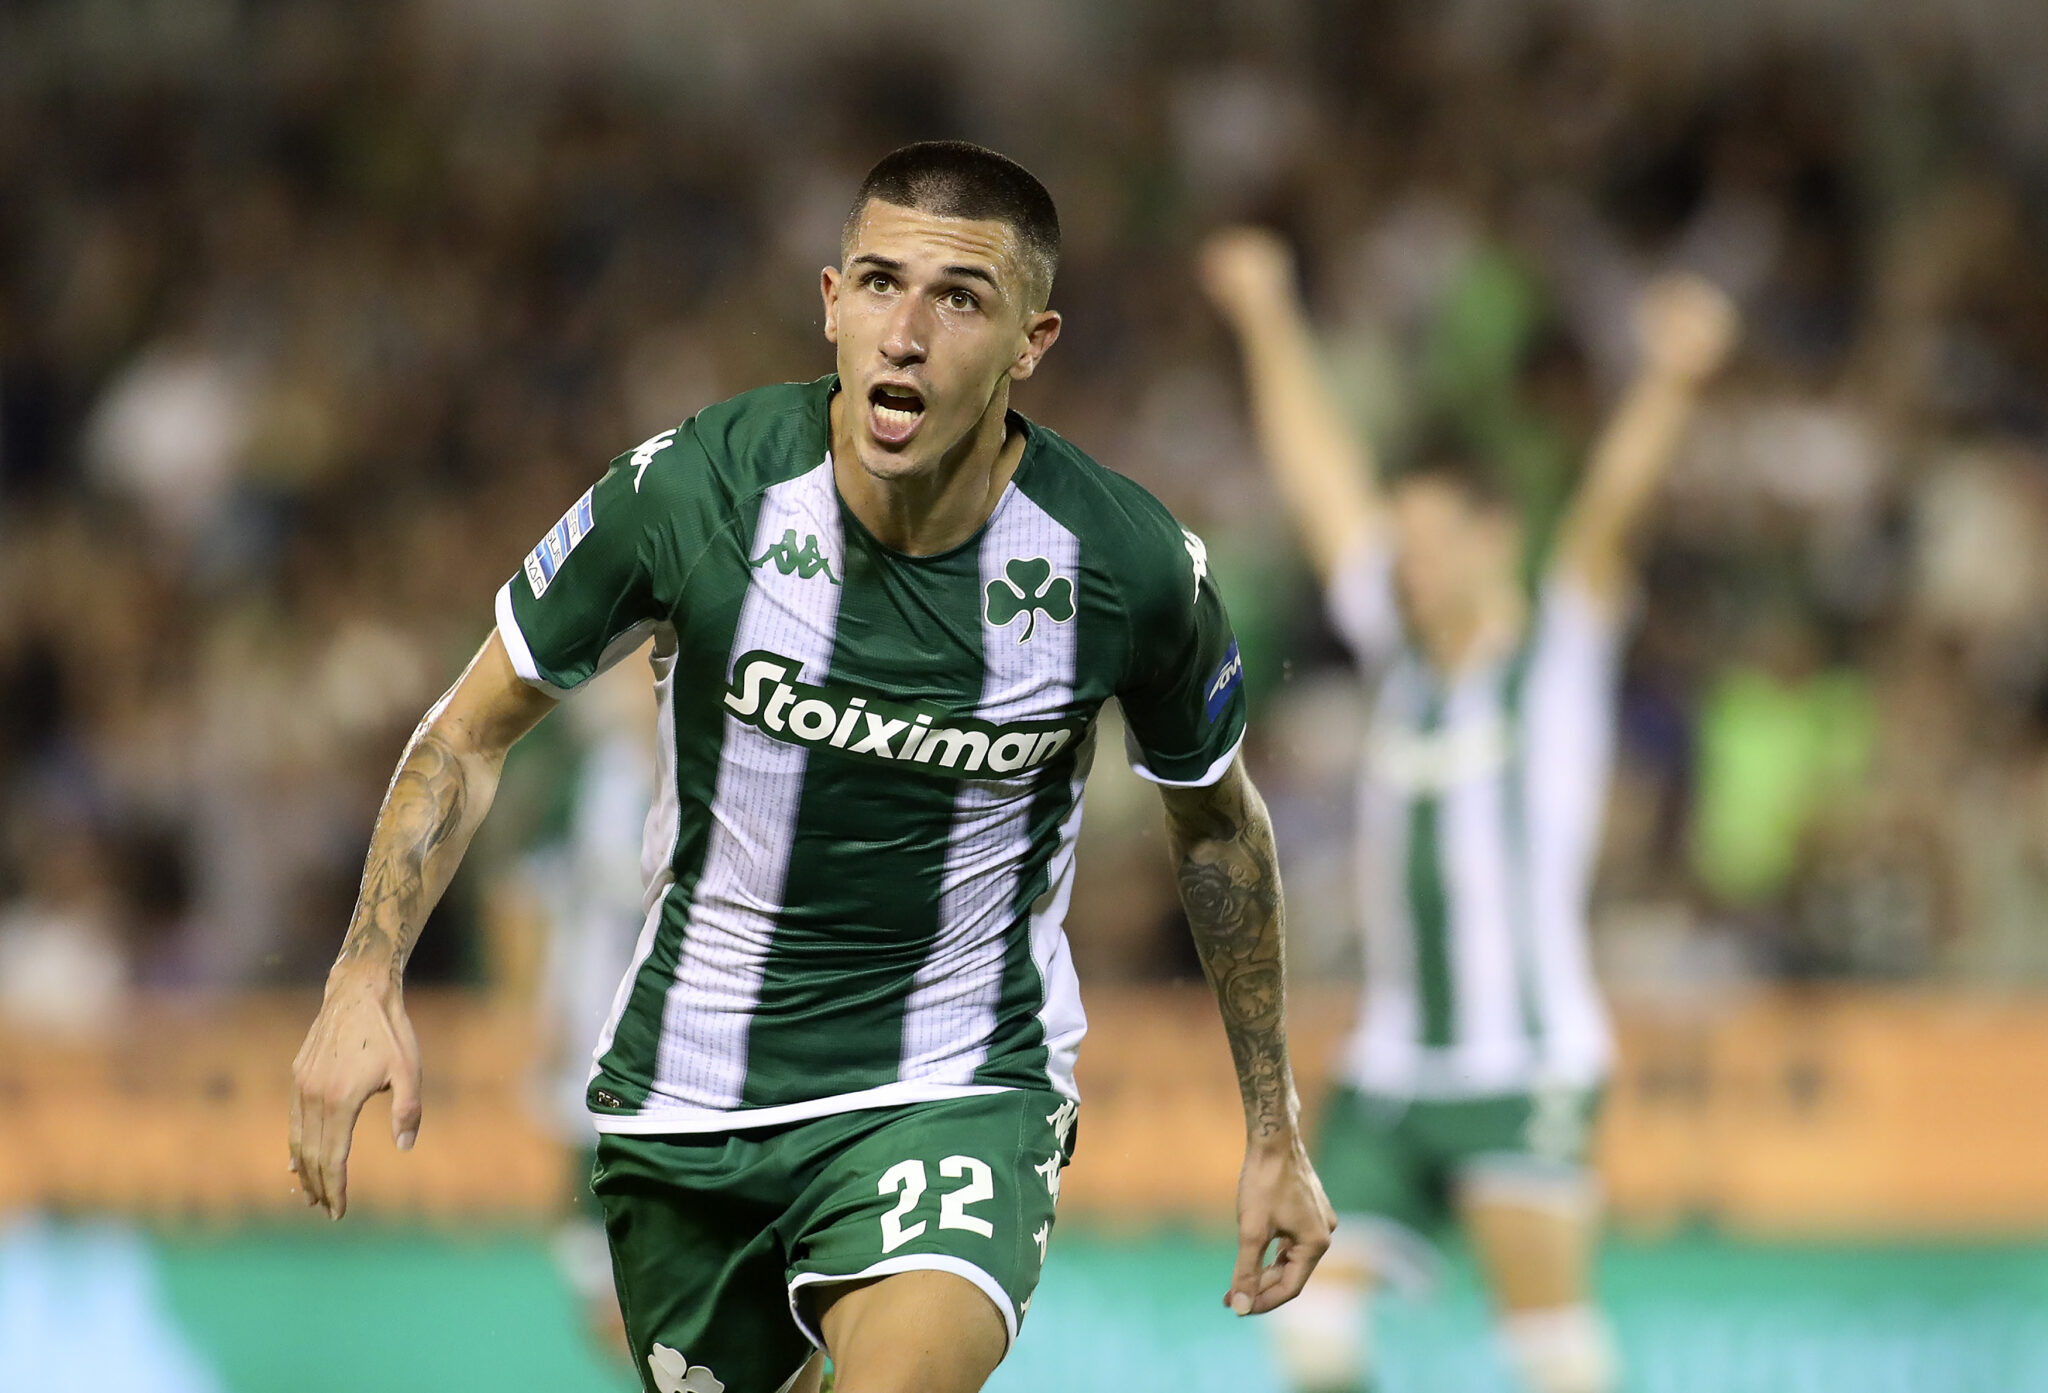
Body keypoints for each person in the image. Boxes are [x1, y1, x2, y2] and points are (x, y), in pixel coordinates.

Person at [288, 142, 1334, 1393]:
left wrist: (1272, 1123)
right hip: (690, 1096)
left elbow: (1215, 826)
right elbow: (467, 730)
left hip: (957, 1081)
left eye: (960, 298)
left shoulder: (1124, 566)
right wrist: (363, 974)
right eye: (880, 284)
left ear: (1031, 343)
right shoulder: (695, 491)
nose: (908, 334)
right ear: (830, 302)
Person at [1201, 227, 1737, 1393]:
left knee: (1550, 1349)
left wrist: (1669, 379)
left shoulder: (1556, 654)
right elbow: (1322, 483)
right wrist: (1265, 317)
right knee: (1309, 1331)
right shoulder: (1399, 653)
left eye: (1432, 545)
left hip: (1521, 1060)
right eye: (1402, 547)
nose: (1407, 565)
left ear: (1494, 540)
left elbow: (1607, 509)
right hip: (1395, 1063)